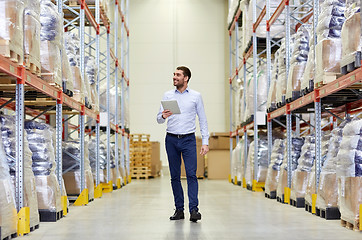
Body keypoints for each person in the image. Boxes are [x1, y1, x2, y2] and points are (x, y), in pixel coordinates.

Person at [157, 66, 209, 222]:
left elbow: (203, 119)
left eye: (178, 75)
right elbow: (159, 119)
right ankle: (179, 210)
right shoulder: (167, 95)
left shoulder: (195, 96)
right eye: (174, 74)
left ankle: (194, 210)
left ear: (186, 78)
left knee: (191, 175)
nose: (174, 77)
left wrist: (205, 142)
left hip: (188, 140)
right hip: (171, 139)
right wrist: (162, 115)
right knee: (174, 176)